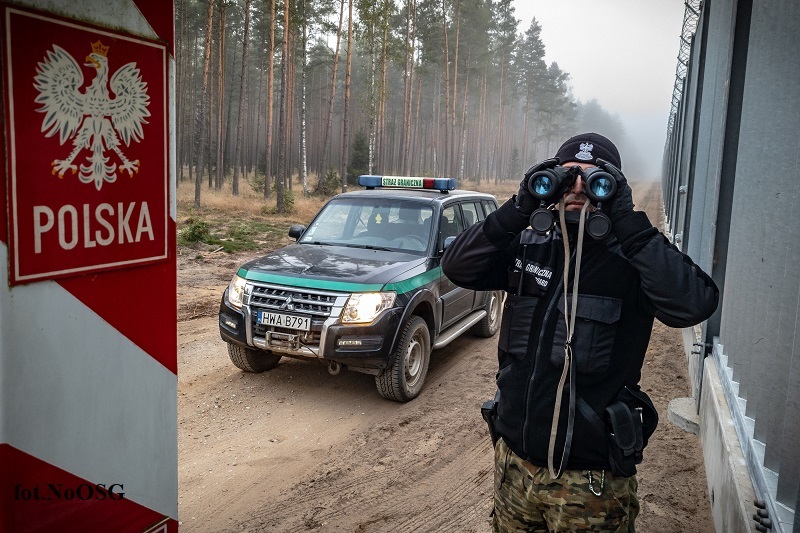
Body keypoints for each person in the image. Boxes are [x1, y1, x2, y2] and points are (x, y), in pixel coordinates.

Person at [441, 132, 719, 532]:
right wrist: (517, 209)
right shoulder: (529, 245)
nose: (577, 187)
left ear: (613, 186)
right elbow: (457, 267)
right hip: (514, 466)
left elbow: (694, 304)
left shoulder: (632, 259)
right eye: (567, 175)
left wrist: (629, 223)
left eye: (592, 178)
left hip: (590, 482)